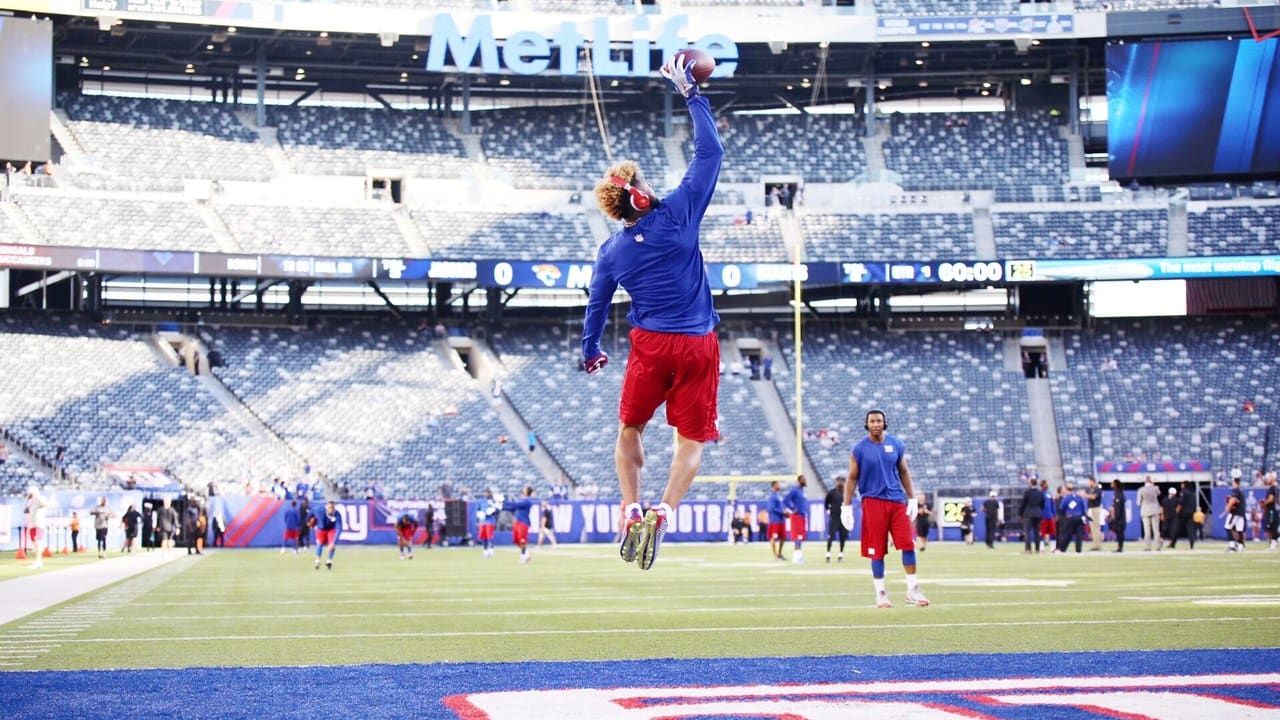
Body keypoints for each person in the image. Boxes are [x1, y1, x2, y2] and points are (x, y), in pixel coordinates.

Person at [581, 52, 723, 572]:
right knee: (690, 441)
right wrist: (692, 94)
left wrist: (591, 350)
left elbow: (596, 306)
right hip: (698, 344)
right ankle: (664, 511)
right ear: (641, 190)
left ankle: (630, 506)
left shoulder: (613, 251)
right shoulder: (680, 212)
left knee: (630, 431)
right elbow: (711, 153)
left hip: (650, 344)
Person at [842, 409, 929, 608]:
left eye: (879, 421)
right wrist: (846, 506)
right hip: (872, 501)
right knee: (877, 551)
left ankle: (912, 589)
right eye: (872, 421)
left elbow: (904, 472)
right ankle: (880, 593)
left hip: (897, 501)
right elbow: (852, 478)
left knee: (908, 544)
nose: (875, 424)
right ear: (866, 424)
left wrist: (912, 499)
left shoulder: (895, 444)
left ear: (884, 423)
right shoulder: (859, 449)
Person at [502, 486, 537, 564]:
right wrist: (502, 507)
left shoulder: (528, 501)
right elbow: (513, 508)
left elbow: (515, 505)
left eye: (525, 489)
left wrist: (504, 500)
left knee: (522, 540)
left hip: (524, 522)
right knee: (516, 540)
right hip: (518, 522)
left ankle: (523, 557)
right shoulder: (523, 500)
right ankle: (526, 554)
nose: (523, 489)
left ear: (527, 491)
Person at [783, 475, 809, 564]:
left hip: (802, 516)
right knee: (798, 536)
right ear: (799, 481)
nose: (805, 481)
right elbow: (786, 500)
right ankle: (797, 557)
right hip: (797, 516)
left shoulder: (802, 491)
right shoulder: (795, 490)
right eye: (804, 479)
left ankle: (797, 556)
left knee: (800, 537)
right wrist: (792, 508)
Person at [1056, 482, 1087, 554]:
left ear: (1067, 489)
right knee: (1079, 535)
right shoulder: (1079, 497)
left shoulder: (1066, 498)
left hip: (1070, 518)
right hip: (1079, 518)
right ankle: (1078, 550)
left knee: (1067, 534)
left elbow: (1062, 508)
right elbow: (1083, 509)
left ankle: (1062, 549)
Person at [310, 500, 342, 570]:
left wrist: (333, 543)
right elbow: (311, 512)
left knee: (332, 544)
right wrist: (308, 521)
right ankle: (318, 560)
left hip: (331, 529)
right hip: (321, 529)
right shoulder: (320, 510)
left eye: (333, 508)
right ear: (327, 507)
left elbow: (339, 528)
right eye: (330, 507)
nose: (331, 509)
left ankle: (329, 560)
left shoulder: (337, 514)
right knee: (319, 544)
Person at [24, 486, 50, 569]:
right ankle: (38, 561)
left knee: (37, 541)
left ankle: (38, 561)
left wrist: (36, 495)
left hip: (39, 524)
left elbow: (46, 504)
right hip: (32, 524)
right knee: (34, 543)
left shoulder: (40, 498)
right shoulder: (31, 502)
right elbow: (25, 510)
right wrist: (27, 500)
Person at [824, 477, 848, 562]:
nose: (840, 483)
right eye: (838, 481)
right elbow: (826, 503)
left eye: (841, 481)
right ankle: (828, 554)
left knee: (843, 537)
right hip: (834, 518)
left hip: (843, 518)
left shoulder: (846, 492)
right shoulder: (831, 493)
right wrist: (829, 511)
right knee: (831, 536)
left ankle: (841, 555)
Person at [1169, 481, 1197, 550]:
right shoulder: (1192, 493)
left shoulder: (1183, 492)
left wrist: (1174, 500)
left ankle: (1173, 544)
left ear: (1184, 485)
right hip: (1190, 513)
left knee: (1177, 528)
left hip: (1183, 513)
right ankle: (1192, 545)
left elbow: (1181, 501)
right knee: (1190, 529)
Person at [1019, 477, 1044, 554]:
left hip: (1028, 514)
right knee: (1037, 532)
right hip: (1038, 514)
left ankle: (1028, 549)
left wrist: (1020, 513)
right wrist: (1039, 511)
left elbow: (1023, 504)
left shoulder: (1027, 492)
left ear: (1030, 483)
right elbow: (1042, 504)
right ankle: (1037, 549)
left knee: (1028, 532)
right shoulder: (1040, 492)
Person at [1137, 475, 1162, 551]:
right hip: (1154, 509)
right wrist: (1153, 485)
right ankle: (1157, 546)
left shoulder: (1141, 490)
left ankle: (1148, 546)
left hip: (1145, 510)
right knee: (1156, 529)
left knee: (1147, 530)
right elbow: (1159, 493)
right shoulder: (1155, 488)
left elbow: (1138, 503)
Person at [1223, 476, 1247, 552]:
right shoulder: (1241, 491)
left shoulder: (1235, 490)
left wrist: (1228, 507)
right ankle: (1240, 546)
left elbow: (1233, 499)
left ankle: (1232, 545)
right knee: (1239, 530)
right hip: (1241, 513)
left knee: (1227, 527)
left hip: (1235, 513)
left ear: (1235, 482)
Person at [766, 481, 786, 561]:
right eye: (778, 484)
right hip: (775, 520)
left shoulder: (778, 496)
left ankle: (779, 553)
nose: (779, 485)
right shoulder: (772, 497)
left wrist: (784, 512)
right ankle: (775, 555)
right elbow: (771, 509)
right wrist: (782, 512)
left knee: (783, 537)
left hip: (781, 520)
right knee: (773, 537)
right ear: (774, 486)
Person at [476, 490, 499, 558]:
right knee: (483, 536)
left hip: (490, 520)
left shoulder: (493, 500)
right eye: (485, 493)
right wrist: (480, 514)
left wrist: (492, 511)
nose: (486, 494)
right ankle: (485, 550)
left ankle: (491, 549)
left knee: (490, 536)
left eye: (487, 493)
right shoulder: (481, 500)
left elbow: (497, 509)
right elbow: (478, 509)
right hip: (483, 521)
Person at [1084, 476, 1104, 551]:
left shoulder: (1097, 489)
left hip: (1095, 508)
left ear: (1092, 481)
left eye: (1089, 481)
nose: (1088, 483)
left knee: (1096, 527)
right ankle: (1095, 545)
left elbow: (1093, 497)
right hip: (1091, 509)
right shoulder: (1090, 489)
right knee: (1092, 528)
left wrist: (1085, 495)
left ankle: (1098, 545)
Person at [1108, 479, 1127, 552]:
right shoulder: (1117, 493)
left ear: (1115, 484)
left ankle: (1120, 547)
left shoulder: (1118, 493)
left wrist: (1116, 517)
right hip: (1119, 517)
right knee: (1118, 532)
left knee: (1120, 532)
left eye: (1112, 483)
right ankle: (1119, 547)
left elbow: (1118, 507)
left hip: (1120, 518)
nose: (1111, 484)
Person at [1039, 479, 1057, 549]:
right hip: (1043, 516)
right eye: (1046, 484)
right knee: (1042, 533)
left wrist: (1054, 515)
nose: (1047, 485)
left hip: (1050, 516)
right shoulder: (1040, 494)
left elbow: (1052, 505)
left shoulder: (1049, 493)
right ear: (1042, 485)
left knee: (1053, 533)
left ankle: (1053, 548)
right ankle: (1041, 548)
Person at [1262, 474, 1278, 552]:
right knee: (1273, 528)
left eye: (1269, 478)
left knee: (1271, 528)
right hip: (1274, 510)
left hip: (1271, 510)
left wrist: (1264, 503)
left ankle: (1273, 545)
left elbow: (1271, 499)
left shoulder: (1272, 488)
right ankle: (1273, 544)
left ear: (1273, 479)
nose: (1267, 479)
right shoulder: (1276, 488)